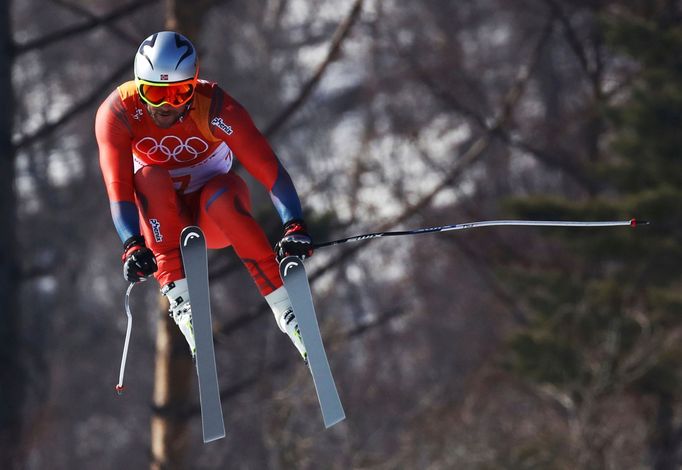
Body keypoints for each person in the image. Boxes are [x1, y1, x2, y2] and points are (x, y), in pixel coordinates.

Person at [95, 31, 313, 360]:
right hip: (162, 222)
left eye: (179, 93)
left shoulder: (214, 107)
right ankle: (183, 304)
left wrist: (293, 224)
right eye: (154, 93)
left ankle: (287, 310)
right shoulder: (119, 112)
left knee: (223, 193)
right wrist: (131, 245)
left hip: (213, 216)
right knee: (149, 176)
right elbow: (118, 189)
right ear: (139, 86)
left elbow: (270, 170)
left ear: (194, 85)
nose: (165, 107)